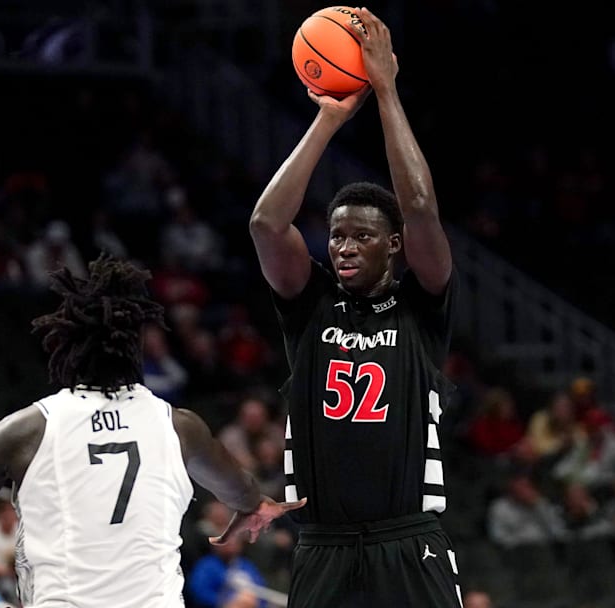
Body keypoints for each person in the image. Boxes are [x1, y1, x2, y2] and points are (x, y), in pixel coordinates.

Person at [0, 253, 304, 608]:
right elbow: (243, 493)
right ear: (136, 348)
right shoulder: (181, 428)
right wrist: (256, 507)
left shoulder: (21, 433)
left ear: (63, 347)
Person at [248, 7, 461, 606]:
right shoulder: (309, 303)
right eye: (337, 235)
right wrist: (328, 119)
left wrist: (386, 90)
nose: (343, 246)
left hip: (408, 540)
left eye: (361, 236)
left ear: (392, 245)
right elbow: (267, 224)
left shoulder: (422, 305)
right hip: (322, 545)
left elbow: (418, 206)